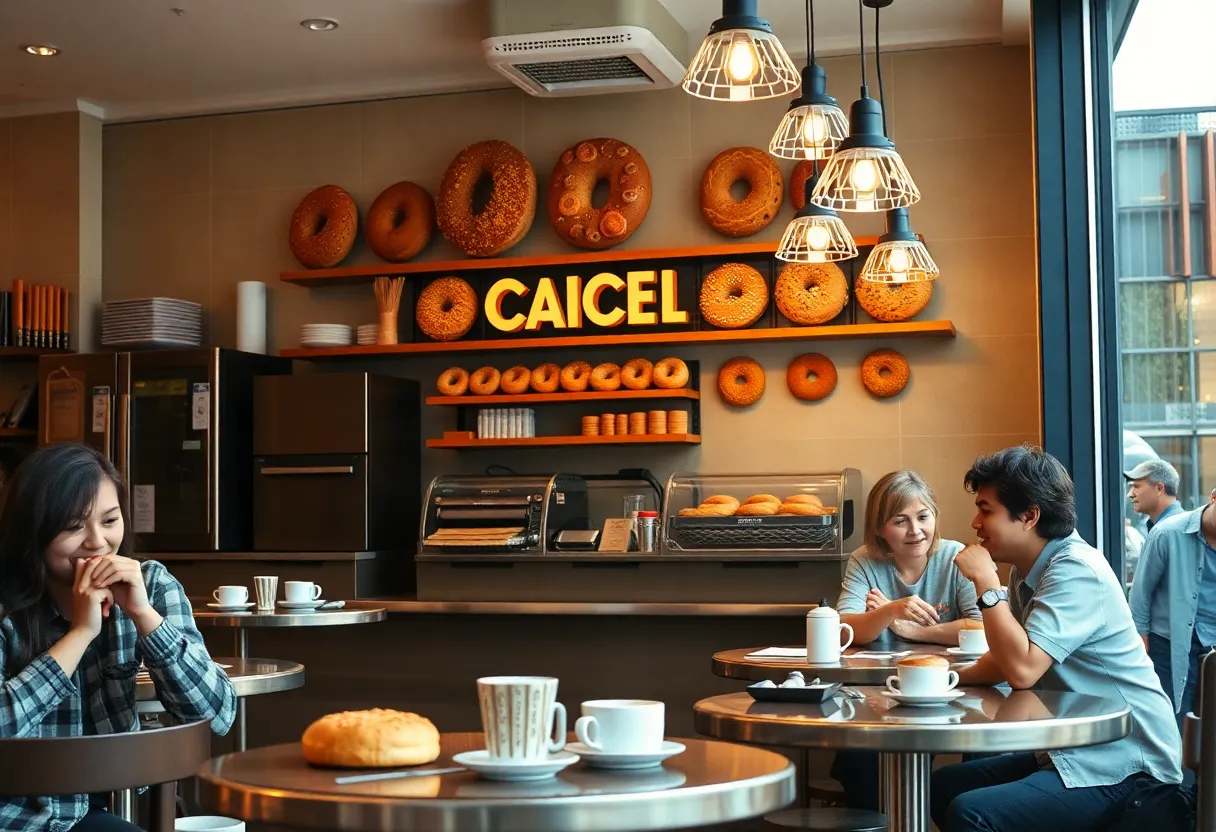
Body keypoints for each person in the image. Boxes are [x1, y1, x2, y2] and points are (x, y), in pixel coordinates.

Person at [931, 445, 1182, 831]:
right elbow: (1004, 658)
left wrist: (985, 583)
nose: (975, 523)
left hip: (1130, 764)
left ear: (1029, 516)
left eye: (986, 509)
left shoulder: (1075, 570)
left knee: (972, 812)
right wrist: (936, 680)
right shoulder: (1028, 569)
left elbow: (1023, 670)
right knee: (944, 786)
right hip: (1075, 749)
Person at [0, 443, 237, 831]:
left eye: (109, 521)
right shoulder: (6, 609)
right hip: (21, 819)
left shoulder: (153, 585)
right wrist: (81, 633)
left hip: (114, 808)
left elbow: (216, 716)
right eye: (73, 526)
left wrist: (144, 616)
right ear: (33, 532)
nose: (97, 542)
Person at [830, 470, 981, 810]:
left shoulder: (955, 557)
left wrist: (911, 630)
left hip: (956, 690)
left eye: (923, 517)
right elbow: (843, 630)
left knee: (981, 761)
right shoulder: (865, 560)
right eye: (900, 521)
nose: (916, 531)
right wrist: (892, 610)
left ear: (935, 516)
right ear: (880, 527)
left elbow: (980, 626)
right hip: (884, 691)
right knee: (861, 761)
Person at [1129, 488, 1216, 731]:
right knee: (1172, 725)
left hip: (1212, 644)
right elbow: (1141, 593)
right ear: (1213, 498)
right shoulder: (1167, 533)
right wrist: (1140, 638)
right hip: (1167, 643)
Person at [1125, 459, 1184, 534]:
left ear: (1159, 488)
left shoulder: (1165, 532)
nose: (1130, 494)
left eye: (1136, 487)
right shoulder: (1171, 527)